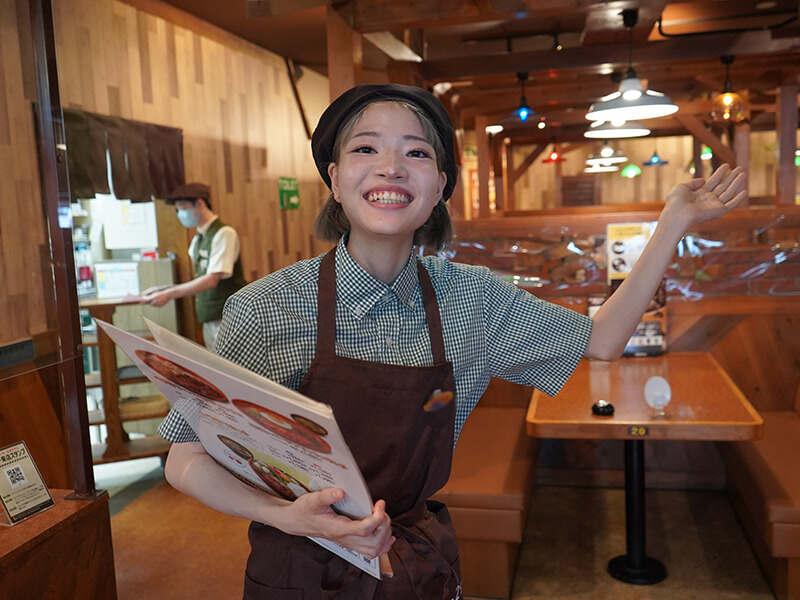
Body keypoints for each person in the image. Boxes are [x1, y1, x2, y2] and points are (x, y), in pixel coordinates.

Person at [157, 84, 746, 599]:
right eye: (365, 148)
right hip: (298, 567)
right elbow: (185, 455)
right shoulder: (265, 308)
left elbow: (601, 340)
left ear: (439, 186)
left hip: (415, 563)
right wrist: (284, 515)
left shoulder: (474, 301)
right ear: (334, 180)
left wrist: (672, 224)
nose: (390, 166)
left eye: (415, 152)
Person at [142, 182, 246, 350]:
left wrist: (170, 294)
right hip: (208, 316)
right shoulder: (198, 239)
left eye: (183, 208)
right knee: (215, 367)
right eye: (178, 210)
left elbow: (212, 279)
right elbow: (200, 278)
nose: (180, 214)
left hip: (228, 316)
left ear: (200, 203)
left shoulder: (224, 233)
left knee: (229, 368)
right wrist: (163, 289)